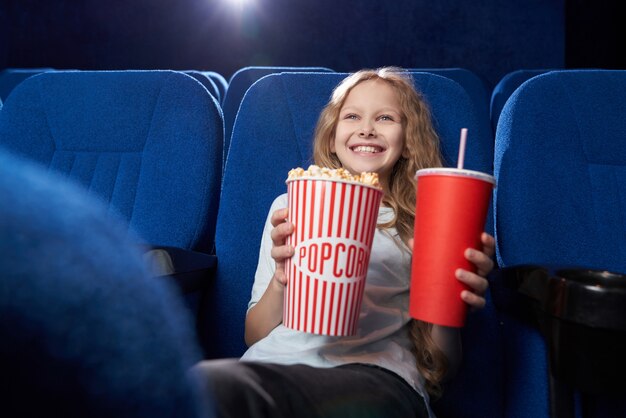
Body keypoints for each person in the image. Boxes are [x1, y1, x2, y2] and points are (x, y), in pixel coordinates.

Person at [195, 67, 495, 418]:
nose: (367, 128)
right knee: (203, 382)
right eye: (352, 116)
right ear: (333, 135)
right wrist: (282, 278)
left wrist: (450, 300)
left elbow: (441, 368)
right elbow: (254, 334)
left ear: (408, 138)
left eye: (385, 118)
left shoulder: (426, 224)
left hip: (376, 377)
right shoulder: (290, 206)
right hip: (275, 366)